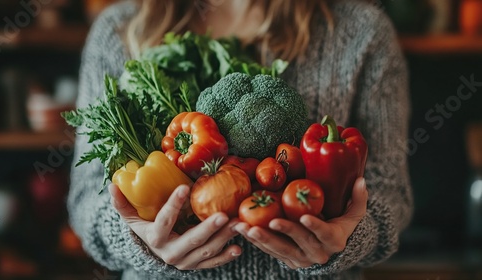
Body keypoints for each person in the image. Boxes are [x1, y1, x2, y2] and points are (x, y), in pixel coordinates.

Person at [67, 0, 413, 279]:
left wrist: (347, 240)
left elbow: (390, 193)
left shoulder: (362, 31)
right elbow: (86, 200)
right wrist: (141, 242)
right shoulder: (117, 31)